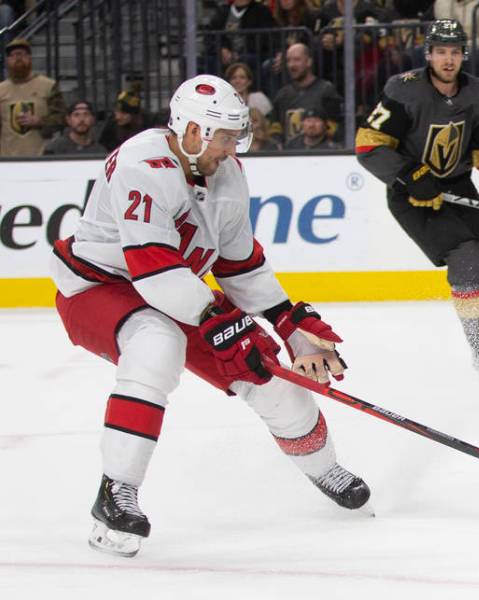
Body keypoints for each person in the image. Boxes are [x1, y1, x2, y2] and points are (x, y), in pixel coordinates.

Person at [50, 74, 370, 558]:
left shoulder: (228, 173)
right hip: (99, 287)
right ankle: (115, 493)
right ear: (194, 131)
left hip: (179, 290)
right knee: (157, 346)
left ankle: (323, 466)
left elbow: (238, 263)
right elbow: (153, 270)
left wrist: (288, 322)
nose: (233, 147)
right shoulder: (142, 164)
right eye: (225, 137)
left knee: (267, 372)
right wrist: (220, 318)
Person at [354, 19, 479, 388]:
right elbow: (368, 144)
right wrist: (410, 174)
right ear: (428, 55)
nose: (447, 59)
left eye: (454, 52)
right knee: (465, 253)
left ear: (463, 56)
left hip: (458, 185)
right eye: (441, 52)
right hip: (411, 195)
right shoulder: (404, 90)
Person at [0, 37, 66, 157]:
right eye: (13, 55)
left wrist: (40, 121)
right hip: (7, 160)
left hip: (41, 157)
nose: (18, 58)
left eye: (22, 54)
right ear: (7, 61)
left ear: (30, 58)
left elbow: (62, 118)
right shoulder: (1, 90)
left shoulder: (48, 86)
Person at [270, 42, 342, 143]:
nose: (291, 65)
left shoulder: (326, 90)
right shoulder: (283, 94)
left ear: (309, 62)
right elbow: (275, 126)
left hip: (318, 154)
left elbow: (335, 126)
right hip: (289, 155)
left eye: (297, 60)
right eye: (288, 61)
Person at [43, 99, 107, 156]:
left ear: (93, 119)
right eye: (76, 115)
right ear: (68, 120)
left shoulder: (100, 151)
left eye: (86, 114)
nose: (81, 119)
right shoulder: (55, 147)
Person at [97, 84, 149, 152]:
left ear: (134, 115)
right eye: (116, 112)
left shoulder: (147, 127)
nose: (118, 117)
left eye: (123, 114)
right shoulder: (110, 127)